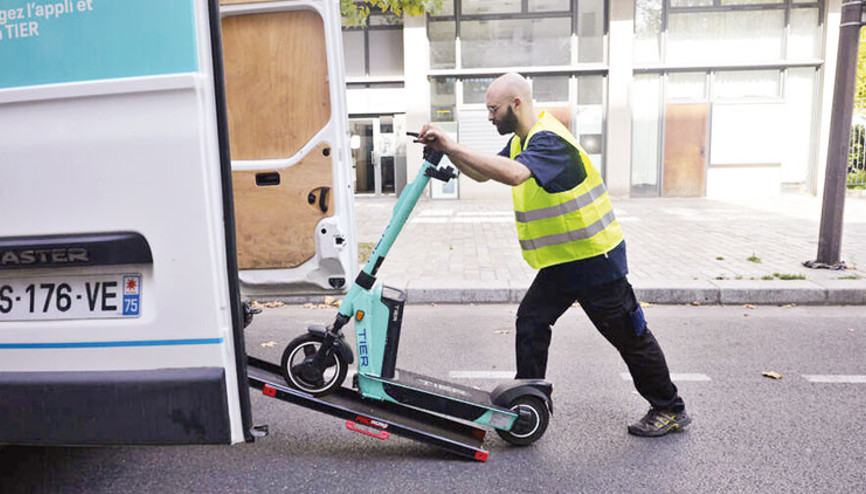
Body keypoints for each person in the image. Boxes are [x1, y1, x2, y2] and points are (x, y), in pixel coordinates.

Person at [417, 73, 690, 437]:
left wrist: (453, 144)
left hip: (595, 260)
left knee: (629, 336)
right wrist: (449, 151)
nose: (489, 117)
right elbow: (485, 175)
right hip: (564, 262)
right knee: (531, 321)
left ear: (516, 103)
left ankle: (669, 408)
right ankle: (528, 402)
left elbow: (514, 176)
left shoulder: (549, 140)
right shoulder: (523, 141)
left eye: (493, 109)